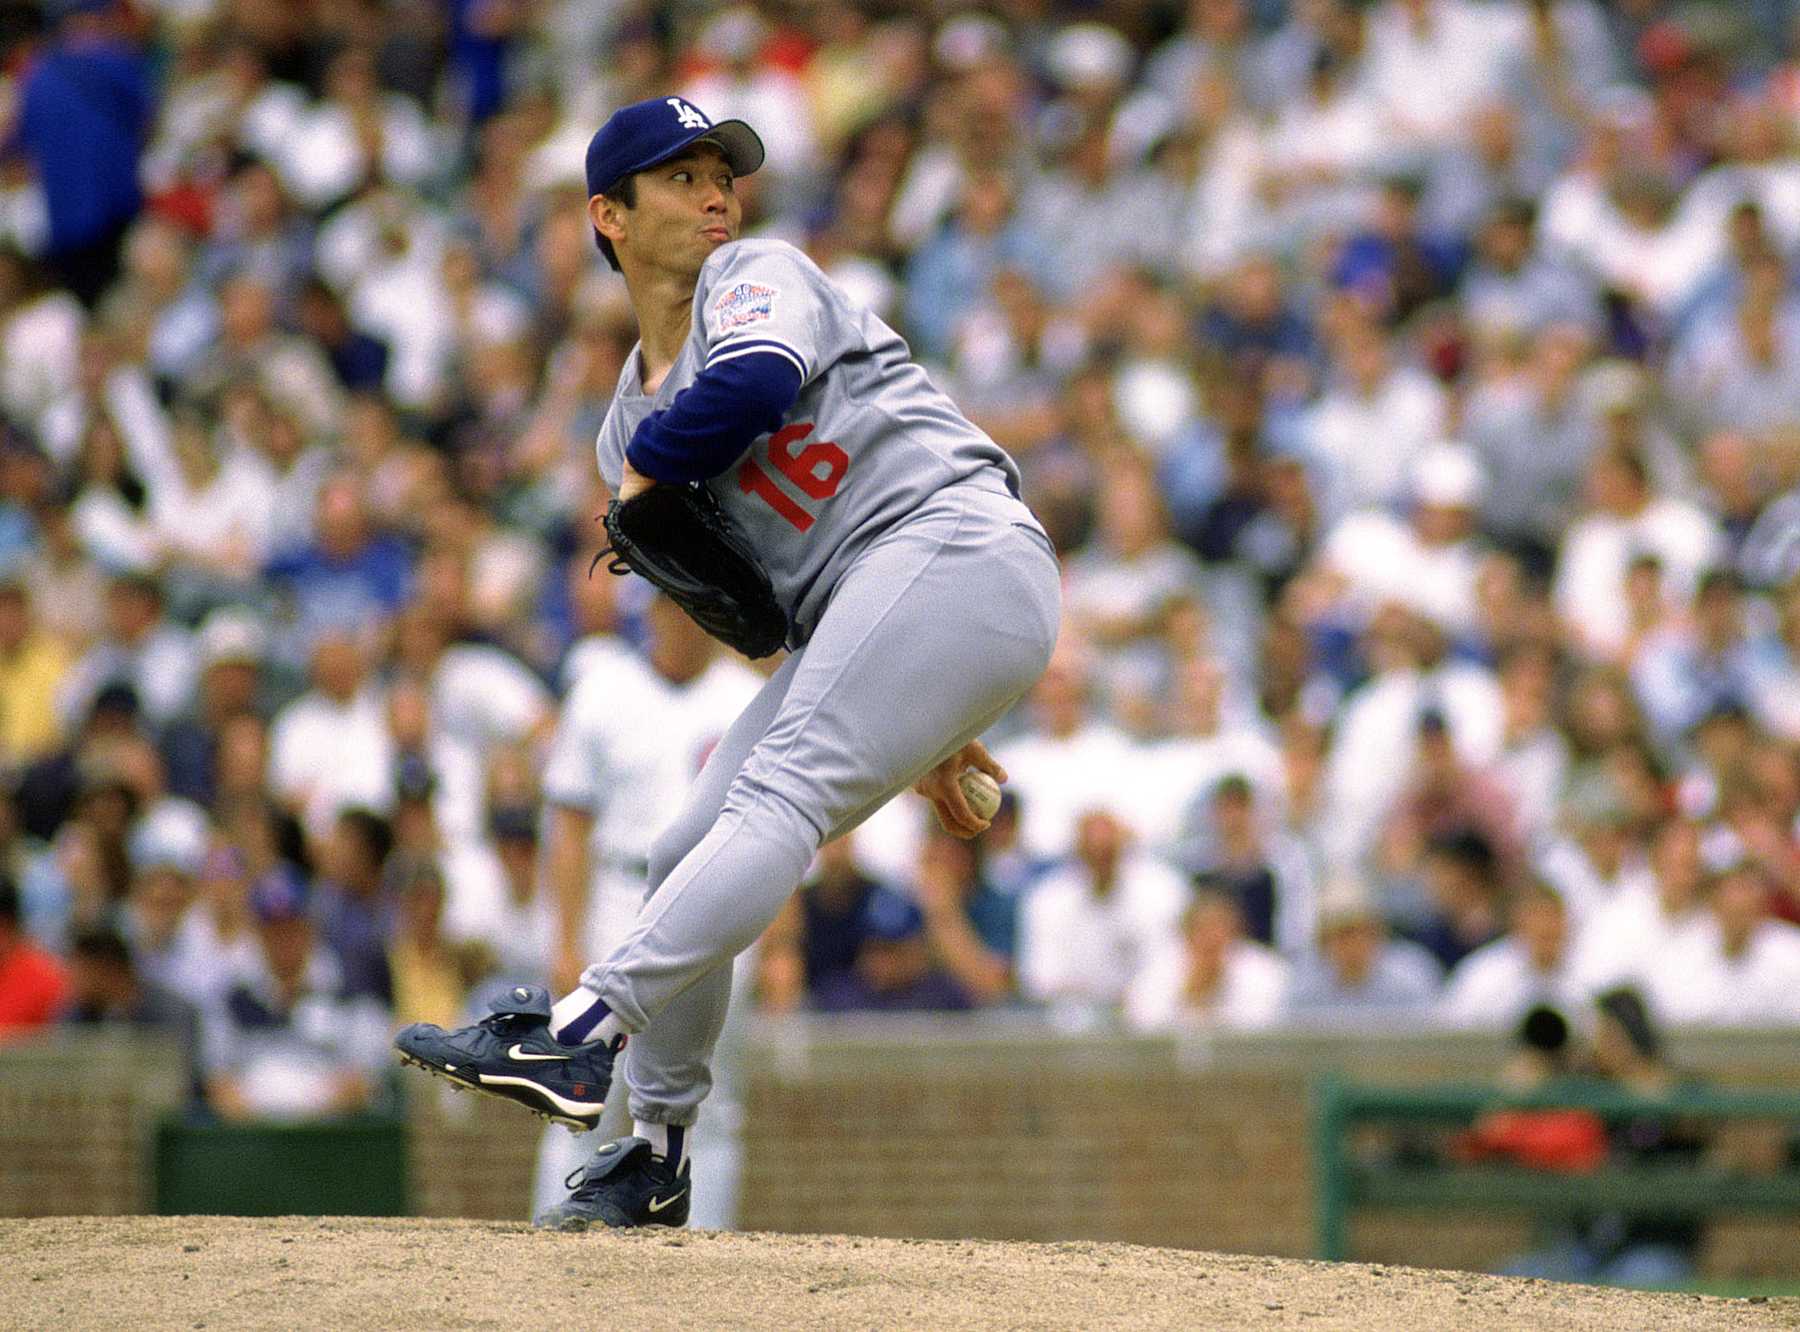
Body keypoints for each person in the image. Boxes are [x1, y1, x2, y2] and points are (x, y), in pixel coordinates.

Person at [397, 94, 1061, 1231]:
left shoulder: (754, 274)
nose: (717, 193)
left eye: (723, 171)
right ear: (608, 215)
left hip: (955, 541)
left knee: (778, 796)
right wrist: (928, 734)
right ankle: (655, 1153)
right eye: (682, 176)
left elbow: (750, 387)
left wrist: (643, 478)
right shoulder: (623, 428)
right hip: (882, 602)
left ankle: (574, 1034)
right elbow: (763, 619)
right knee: (684, 842)